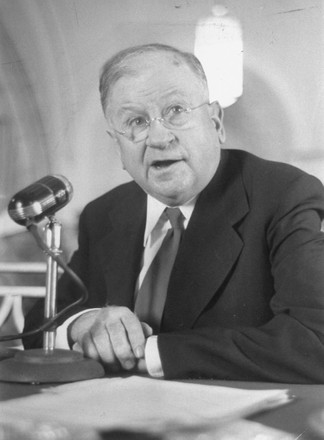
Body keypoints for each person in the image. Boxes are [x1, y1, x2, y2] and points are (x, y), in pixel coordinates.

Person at [23, 43, 324, 383]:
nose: (159, 137)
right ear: (118, 147)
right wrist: (82, 324)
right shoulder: (104, 213)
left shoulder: (284, 195)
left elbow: (313, 342)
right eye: (135, 121)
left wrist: (149, 353)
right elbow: (39, 326)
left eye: (176, 111)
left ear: (215, 122)